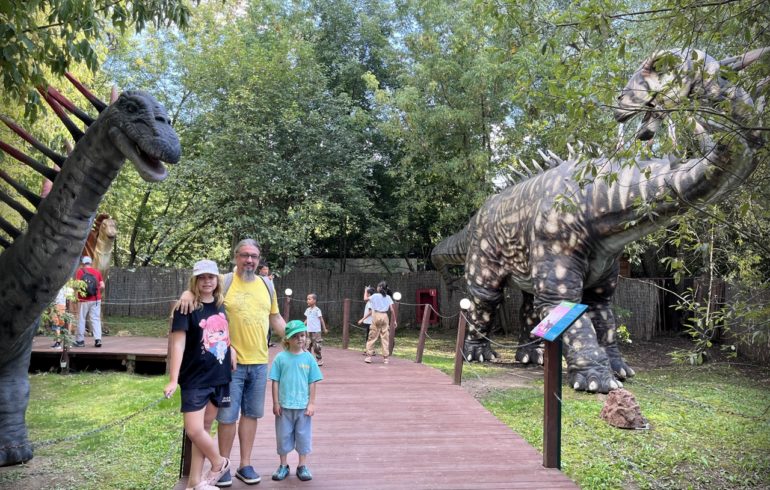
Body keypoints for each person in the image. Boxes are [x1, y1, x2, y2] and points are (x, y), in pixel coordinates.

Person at [177, 239, 286, 487]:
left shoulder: (267, 285)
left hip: (259, 362)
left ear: (259, 260)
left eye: (254, 256)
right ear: (235, 256)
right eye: (245, 255)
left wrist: (292, 338)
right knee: (226, 417)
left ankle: (244, 464)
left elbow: (275, 317)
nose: (249, 260)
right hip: (228, 363)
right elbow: (200, 295)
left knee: (251, 415)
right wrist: (186, 293)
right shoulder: (223, 282)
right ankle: (222, 465)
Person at [165, 260, 235, 490]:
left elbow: (223, 333)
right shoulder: (185, 307)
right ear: (194, 280)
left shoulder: (220, 305)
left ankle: (195, 482)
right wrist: (174, 379)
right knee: (194, 429)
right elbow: (178, 345)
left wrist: (231, 348)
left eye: (211, 277)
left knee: (204, 430)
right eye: (202, 277)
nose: (207, 281)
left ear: (217, 280)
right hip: (195, 378)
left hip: (220, 375)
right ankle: (220, 462)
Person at [269, 320, 323, 482]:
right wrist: (276, 402)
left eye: (302, 335)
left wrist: (312, 403)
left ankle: (302, 465)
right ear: (287, 339)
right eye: (296, 336)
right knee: (283, 435)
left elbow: (312, 382)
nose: (300, 339)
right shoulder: (280, 358)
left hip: (303, 407)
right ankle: (283, 465)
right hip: (284, 406)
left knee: (303, 435)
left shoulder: (308, 358)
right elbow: (275, 381)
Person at [362, 281, 397, 364]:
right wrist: (395, 320)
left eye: (378, 286)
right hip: (385, 316)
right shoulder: (388, 297)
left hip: (376, 315)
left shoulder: (375, 295)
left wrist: (366, 291)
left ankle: (369, 357)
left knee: (372, 336)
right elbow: (392, 310)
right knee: (385, 337)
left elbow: (365, 299)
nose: (377, 287)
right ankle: (386, 358)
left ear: (380, 287)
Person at [74, 256, 104, 348]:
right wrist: (98, 293)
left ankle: (80, 341)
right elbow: (102, 286)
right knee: (95, 319)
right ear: (90, 263)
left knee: (81, 319)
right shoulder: (97, 272)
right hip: (96, 299)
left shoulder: (80, 272)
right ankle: (98, 340)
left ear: (83, 263)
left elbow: (76, 286)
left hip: (83, 299)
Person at [303, 293, 328, 367]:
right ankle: (309, 360)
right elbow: (307, 319)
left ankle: (319, 359)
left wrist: (324, 328)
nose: (307, 300)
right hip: (308, 331)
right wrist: (302, 325)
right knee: (307, 346)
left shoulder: (317, 310)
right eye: (307, 299)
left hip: (316, 331)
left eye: (309, 299)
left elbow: (321, 320)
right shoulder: (307, 310)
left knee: (317, 346)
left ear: (314, 300)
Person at [50, 284, 74, 349]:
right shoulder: (69, 288)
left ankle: (58, 343)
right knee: (66, 325)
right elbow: (71, 299)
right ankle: (68, 343)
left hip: (56, 306)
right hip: (66, 307)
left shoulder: (56, 286)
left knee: (56, 325)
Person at [356, 286, 376, 354]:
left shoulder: (370, 301)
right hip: (369, 321)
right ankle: (370, 349)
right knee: (370, 335)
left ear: (369, 294)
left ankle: (370, 350)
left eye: (367, 293)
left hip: (370, 321)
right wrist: (366, 290)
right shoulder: (371, 300)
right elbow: (365, 299)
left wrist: (362, 319)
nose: (365, 294)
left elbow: (370, 312)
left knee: (369, 336)